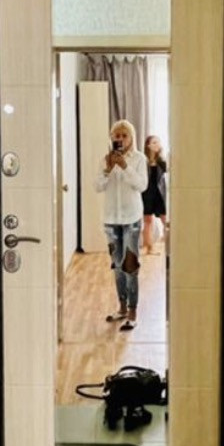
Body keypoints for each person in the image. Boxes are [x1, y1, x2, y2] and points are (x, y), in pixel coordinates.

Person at [94, 118, 147, 331]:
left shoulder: (139, 159)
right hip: (111, 220)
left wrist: (125, 167)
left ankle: (133, 312)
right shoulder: (105, 160)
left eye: (125, 135)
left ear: (131, 138)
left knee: (130, 267)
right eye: (117, 135)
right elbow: (97, 187)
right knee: (117, 267)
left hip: (131, 218)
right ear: (112, 137)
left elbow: (141, 185)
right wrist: (108, 170)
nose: (121, 139)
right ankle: (122, 308)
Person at [141, 133, 168, 254]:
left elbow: (168, 169)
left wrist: (162, 153)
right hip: (146, 194)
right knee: (148, 221)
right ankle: (149, 248)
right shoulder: (143, 161)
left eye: (158, 142)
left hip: (159, 194)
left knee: (165, 220)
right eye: (154, 142)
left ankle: (170, 246)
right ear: (148, 145)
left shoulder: (161, 161)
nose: (158, 144)